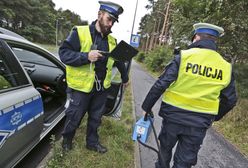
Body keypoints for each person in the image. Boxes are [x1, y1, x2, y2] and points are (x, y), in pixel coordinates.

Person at [142, 23, 237, 168]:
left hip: (173, 117)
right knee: (184, 162)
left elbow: (161, 84)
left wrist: (146, 107)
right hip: (199, 123)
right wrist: (214, 116)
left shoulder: (184, 57)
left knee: (165, 150)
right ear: (214, 41)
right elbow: (230, 100)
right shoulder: (225, 66)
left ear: (196, 38)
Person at [59, 1, 129, 153]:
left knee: (96, 119)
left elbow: (119, 60)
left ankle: (92, 143)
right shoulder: (80, 32)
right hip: (81, 87)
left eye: (113, 21)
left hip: (101, 88)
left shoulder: (112, 40)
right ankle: (66, 142)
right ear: (99, 15)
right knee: (74, 117)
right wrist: (86, 56)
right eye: (109, 19)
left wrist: (125, 78)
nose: (111, 24)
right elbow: (64, 54)